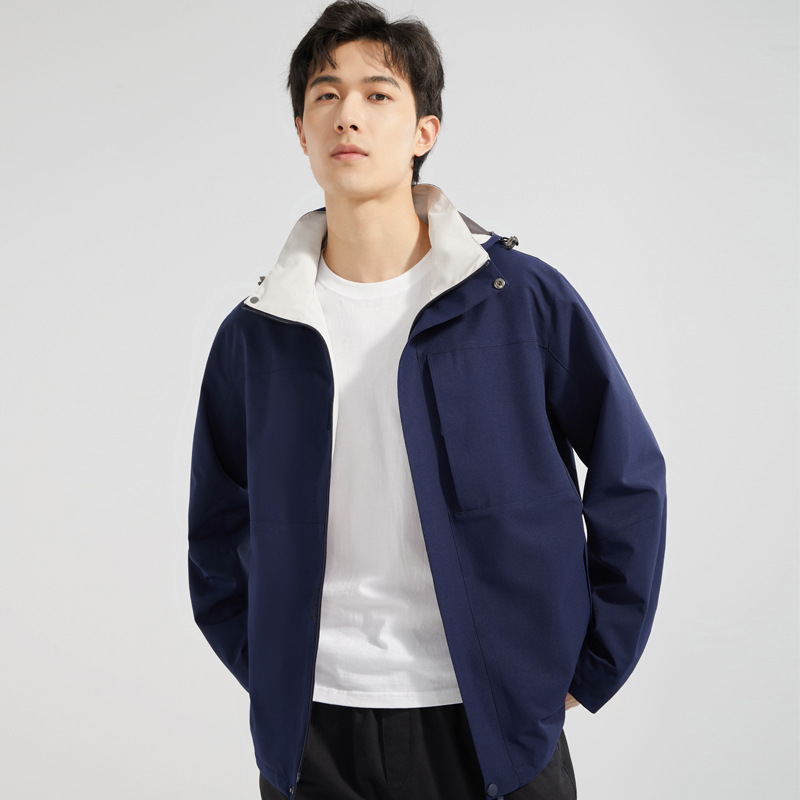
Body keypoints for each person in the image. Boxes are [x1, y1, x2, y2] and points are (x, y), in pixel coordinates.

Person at [187, 1, 667, 798]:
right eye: (325, 95)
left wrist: (589, 666)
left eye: (378, 94)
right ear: (301, 132)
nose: (348, 114)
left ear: (424, 131)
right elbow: (215, 531)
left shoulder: (518, 299)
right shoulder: (259, 332)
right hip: (315, 734)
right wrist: (275, 672)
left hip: (494, 726)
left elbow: (630, 474)